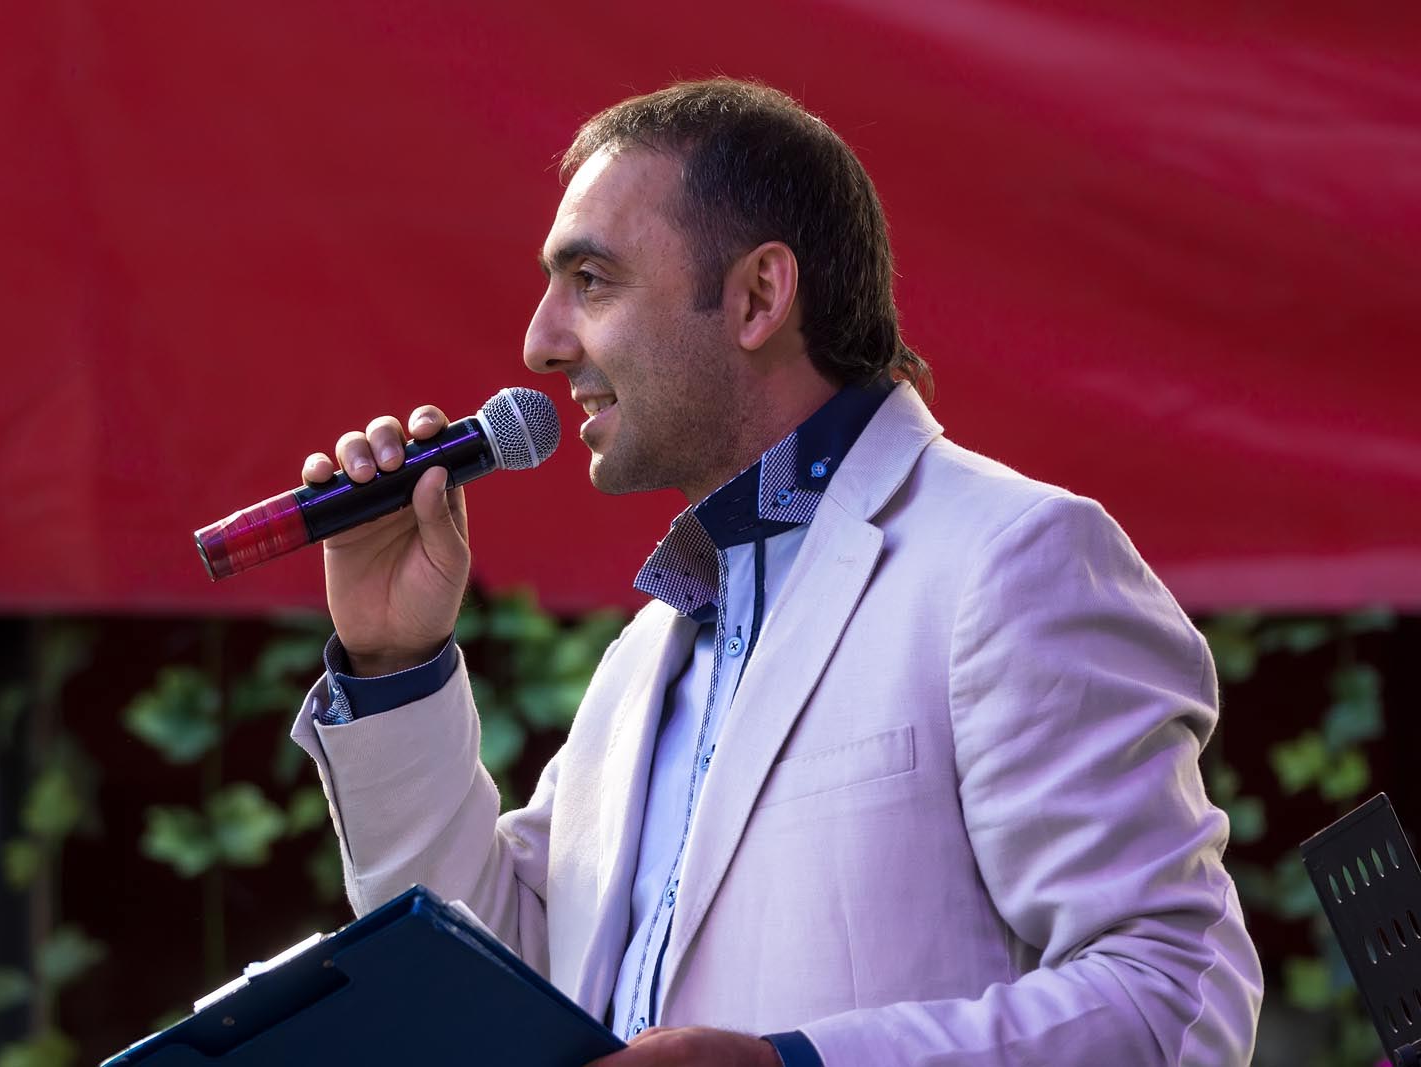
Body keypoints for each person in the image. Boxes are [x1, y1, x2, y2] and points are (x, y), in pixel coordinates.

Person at [289, 79, 1263, 1066]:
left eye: (591, 279)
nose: (540, 342)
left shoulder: (1011, 558)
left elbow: (1175, 995)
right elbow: (483, 988)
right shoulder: (645, 656)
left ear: (758, 296)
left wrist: (792, 1064)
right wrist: (394, 662)